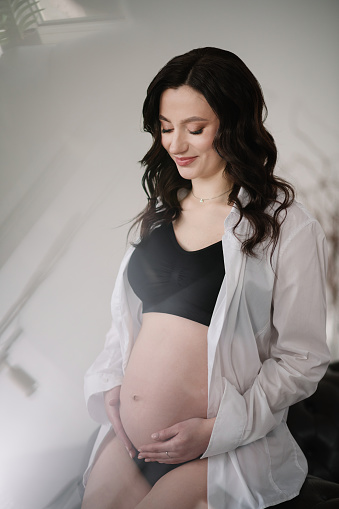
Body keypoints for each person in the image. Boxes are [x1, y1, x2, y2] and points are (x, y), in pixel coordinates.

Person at [81, 47, 330, 509]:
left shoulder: (286, 226)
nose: (175, 144)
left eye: (195, 129)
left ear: (235, 125)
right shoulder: (159, 217)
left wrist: (216, 431)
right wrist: (112, 382)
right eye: (165, 127)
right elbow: (126, 327)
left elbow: (303, 359)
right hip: (130, 442)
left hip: (216, 449)